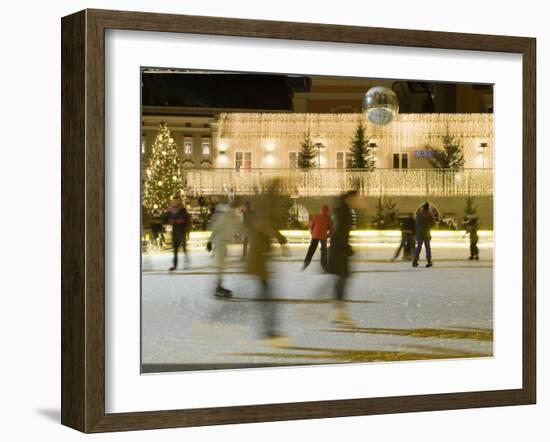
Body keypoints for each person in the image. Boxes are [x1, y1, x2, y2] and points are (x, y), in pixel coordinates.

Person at [245, 180, 291, 347]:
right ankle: (269, 329)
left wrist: (280, 238)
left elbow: (267, 224)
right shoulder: (267, 204)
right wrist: (280, 239)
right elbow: (264, 224)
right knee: (270, 296)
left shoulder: (267, 203)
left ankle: (268, 328)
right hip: (259, 257)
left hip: (261, 256)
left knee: (267, 294)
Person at [327, 191, 358, 325]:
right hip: (339, 250)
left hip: (337, 249)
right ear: (349, 199)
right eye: (356, 198)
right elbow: (340, 232)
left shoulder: (342, 210)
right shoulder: (345, 212)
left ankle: (338, 312)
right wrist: (347, 248)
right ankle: (338, 312)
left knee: (341, 279)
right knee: (342, 279)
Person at [207, 200, 242, 298]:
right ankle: (218, 288)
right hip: (220, 243)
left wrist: (210, 241)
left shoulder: (225, 216)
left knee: (221, 266)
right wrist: (210, 241)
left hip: (221, 243)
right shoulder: (225, 217)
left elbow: (215, 229)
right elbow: (216, 229)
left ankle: (219, 286)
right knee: (221, 266)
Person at [163, 196, 191, 271]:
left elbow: (186, 220)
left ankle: (186, 263)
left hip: (182, 231)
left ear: (178, 201)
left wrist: (179, 222)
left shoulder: (183, 210)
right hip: (174, 232)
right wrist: (167, 223)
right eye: (173, 201)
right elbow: (165, 219)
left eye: (176, 201)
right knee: (175, 250)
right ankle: (175, 265)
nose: (174, 202)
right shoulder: (169, 211)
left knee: (184, 249)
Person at [302, 205, 333, 271]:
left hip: (315, 236)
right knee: (324, 251)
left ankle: (306, 263)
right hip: (323, 237)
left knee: (311, 249)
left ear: (320, 210)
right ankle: (324, 266)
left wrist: (312, 234)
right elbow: (331, 229)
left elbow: (310, 227)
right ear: (327, 211)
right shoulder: (328, 218)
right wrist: (328, 235)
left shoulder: (316, 217)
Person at [413, 202, 435, 268]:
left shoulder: (419, 215)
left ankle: (415, 261)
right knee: (427, 247)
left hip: (420, 233)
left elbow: (416, 224)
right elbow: (433, 224)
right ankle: (429, 261)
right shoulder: (430, 215)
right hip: (427, 233)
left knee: (418, 247)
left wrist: (417, 231)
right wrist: (428, 227)